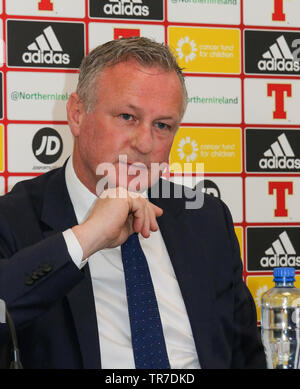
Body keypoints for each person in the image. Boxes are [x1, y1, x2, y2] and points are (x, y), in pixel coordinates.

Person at [0, 37, 266, 369]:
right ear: (77, 114)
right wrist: (88, 236)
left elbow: (246, 356)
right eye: (127, 116)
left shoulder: (206, 217)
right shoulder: (12, 218)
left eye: (162, 126)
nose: (144, 143)